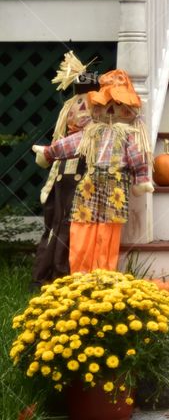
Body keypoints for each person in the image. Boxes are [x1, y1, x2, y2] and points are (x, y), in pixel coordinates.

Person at [33, 69, 153, 273]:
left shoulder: (128, 136)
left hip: (115, 187)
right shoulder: (90, 133)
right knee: (82, 224)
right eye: (106, 104)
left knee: (108, 229)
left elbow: (136, 156)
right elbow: (70, 144)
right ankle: (81, 272)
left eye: (118, 104)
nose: (111, 109)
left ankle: (103, 272)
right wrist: (49, 152)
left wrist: (141, 178)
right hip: (90, 183)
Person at [31, 52, 97, 286]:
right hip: (60, 187)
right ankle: (45, 274)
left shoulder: (91, 138)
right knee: (54, 225)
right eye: (77, 105)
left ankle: (65, 274)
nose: (80, 111)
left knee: (71, 228)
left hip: (80, 190)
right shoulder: (66, 140)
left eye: (86, 106)